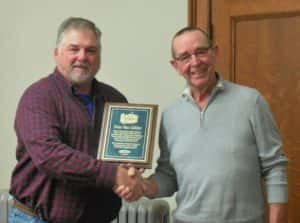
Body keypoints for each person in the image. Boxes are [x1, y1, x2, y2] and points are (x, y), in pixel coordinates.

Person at [115, 27, 288, 223]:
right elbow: (168, 177)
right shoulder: (170, 116)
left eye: (201, 52)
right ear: (175, 65)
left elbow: (275, 167)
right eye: (185, 57)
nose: (195, 62)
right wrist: (143, 186)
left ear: (215, 52)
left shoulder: (251, 102)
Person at [8, 17, 143, 223]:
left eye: (91, 50)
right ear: (56, 54)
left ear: (99, 56)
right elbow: (50, 156)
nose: (82, 57)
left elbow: (123, 154)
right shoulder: (38, 97)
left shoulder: (115, 99)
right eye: (74, 49)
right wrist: (113, 174)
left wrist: (131, 172)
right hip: (38, 219)